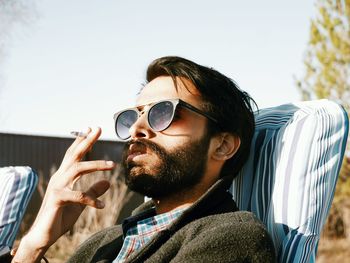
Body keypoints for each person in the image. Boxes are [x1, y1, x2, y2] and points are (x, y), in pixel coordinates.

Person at [10, 56, 276, 262]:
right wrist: (32, 247)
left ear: (223, 146)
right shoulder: (104, 240)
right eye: (133, 115)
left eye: (163, 112)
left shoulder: (231, 238)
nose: (137, 127)